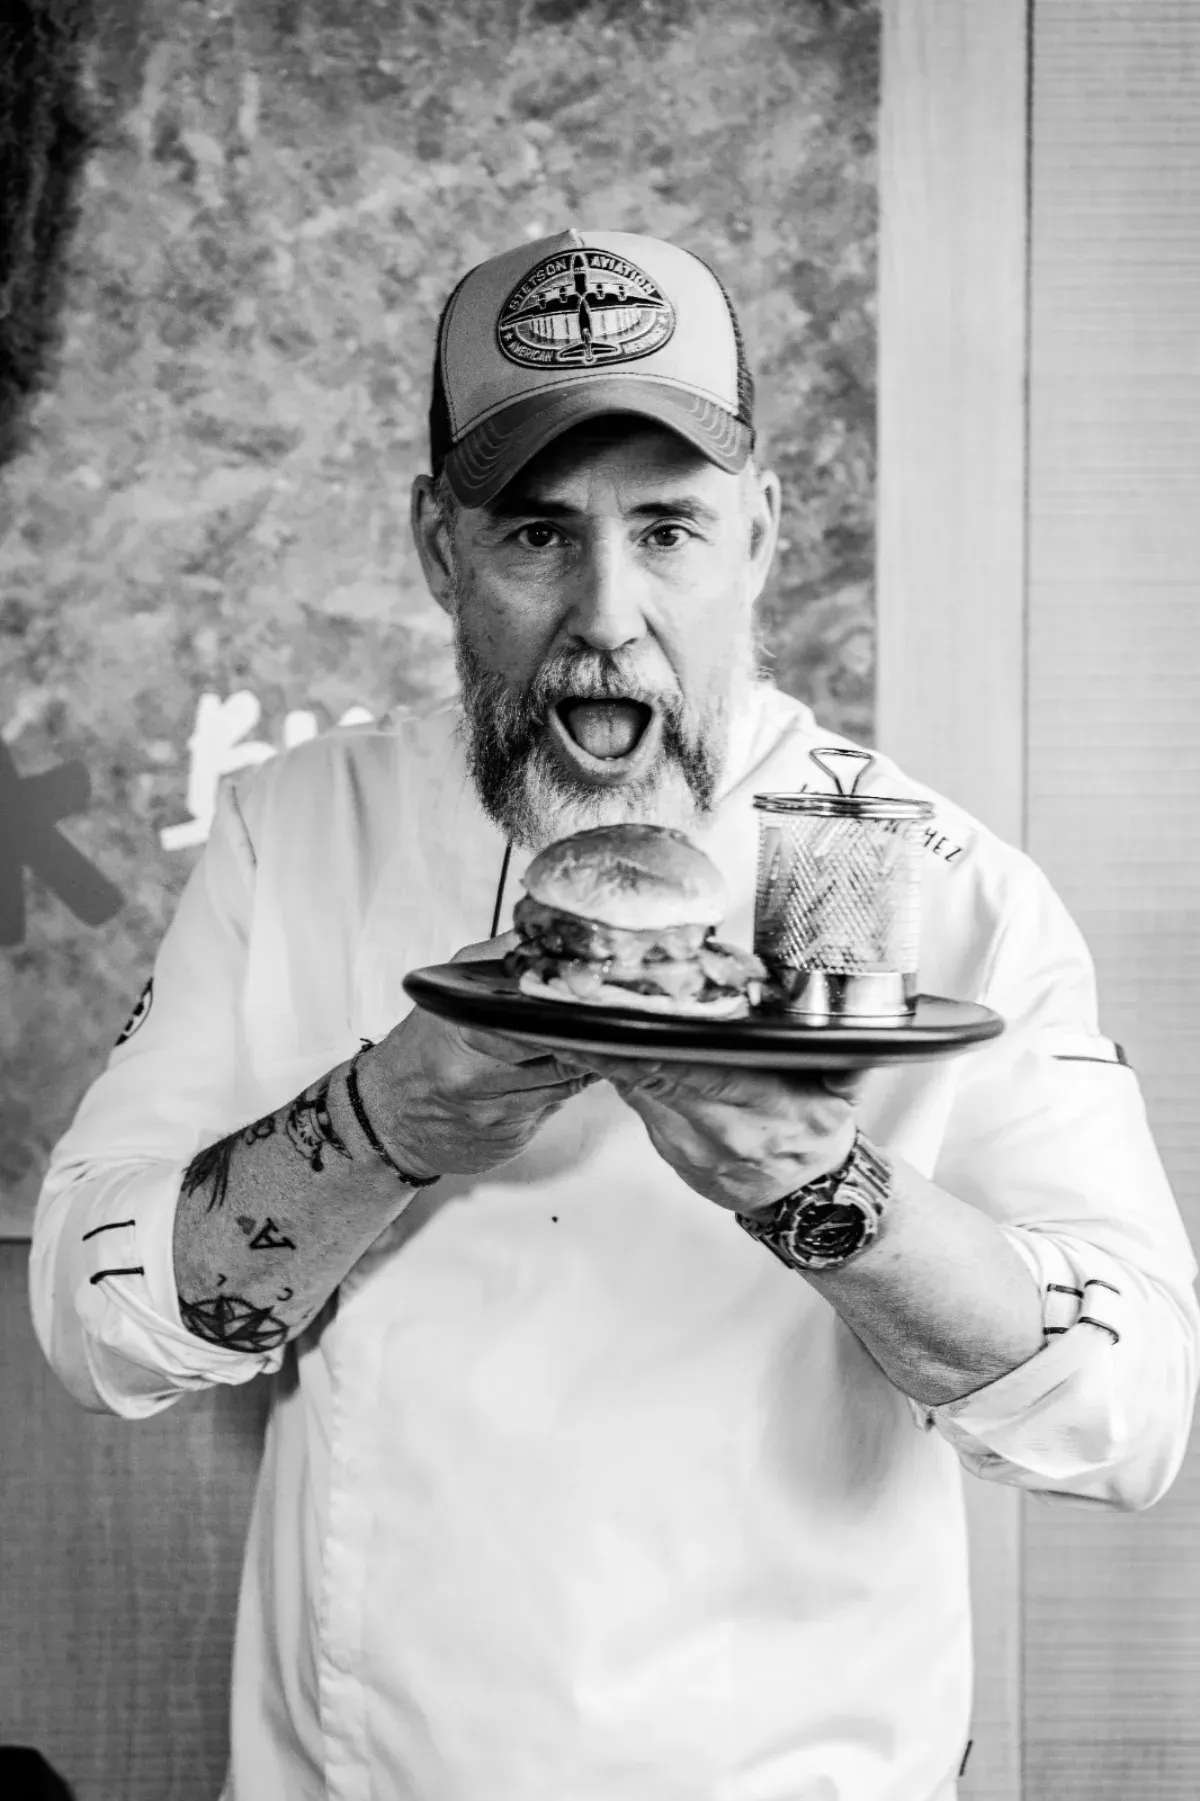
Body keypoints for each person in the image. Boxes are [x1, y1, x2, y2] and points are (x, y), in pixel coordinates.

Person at [30, 229, 1199, 1801]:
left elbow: (1129, 1417)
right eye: (537, 533)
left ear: (760, 534)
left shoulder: (932, 884)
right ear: (439, 548)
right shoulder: (300, 829)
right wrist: (388, 1119)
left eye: (667, 529)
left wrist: (824, 1189)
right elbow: (95, 1325)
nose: (605, 612)